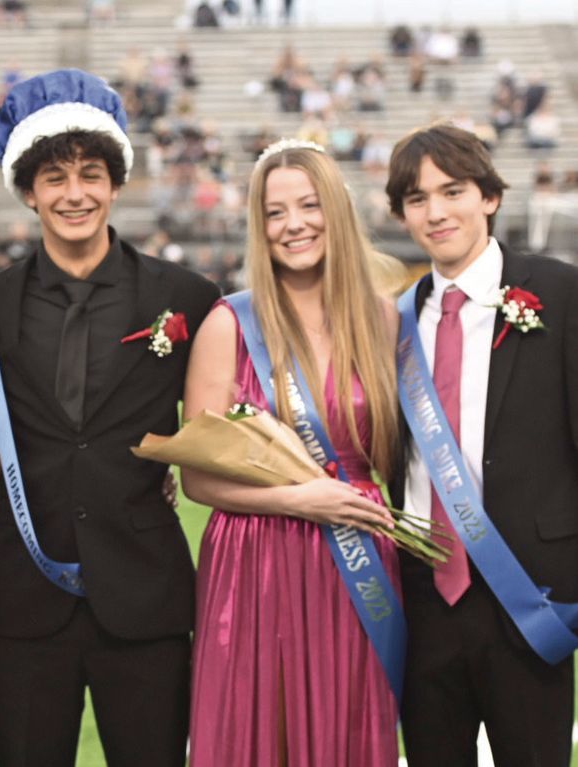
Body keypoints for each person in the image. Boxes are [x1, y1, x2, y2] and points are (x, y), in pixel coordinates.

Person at [0, 68, 220, 766]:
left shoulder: (187, 295)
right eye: (53, 177)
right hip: (24, 601)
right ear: (28, 191)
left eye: (90, 173)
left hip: (145, 595)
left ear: (116, 182)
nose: (74, 193)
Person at [182, 139, 403, 766]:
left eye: (309, 206)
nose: (294, 225)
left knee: (347, 729)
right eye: (275, 213)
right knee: (256, 731)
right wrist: (298, 498)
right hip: (256, 559)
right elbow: (198, 479)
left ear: (335, 209)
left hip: (357, 555)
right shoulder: (229, 324)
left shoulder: (383, 321)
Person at [386, 123, 578, 767]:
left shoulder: (561, 293)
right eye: (417, 198)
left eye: (453, 190)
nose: (436, 212)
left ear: (489, 197)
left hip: (532, 597)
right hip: (422, 599)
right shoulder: (394, 318)